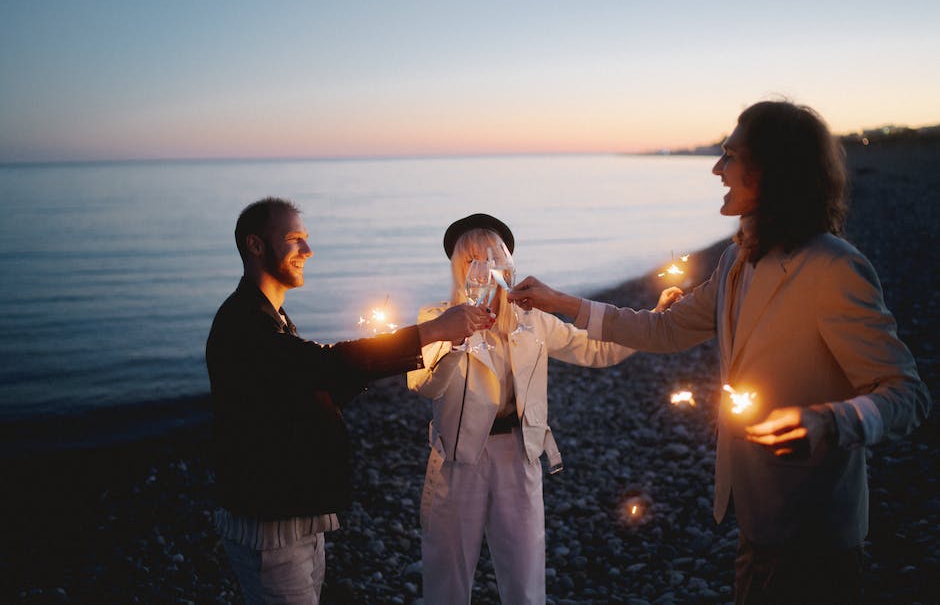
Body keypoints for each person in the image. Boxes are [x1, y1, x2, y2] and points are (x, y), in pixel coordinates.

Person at [509, 101, 931, 604]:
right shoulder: (737, 258)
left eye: (729, 156)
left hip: (814, 530)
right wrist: (563, 303)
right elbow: (665, 330)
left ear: (772, 170)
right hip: (756, 514)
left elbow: (907, 393)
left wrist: (831, 422)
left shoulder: (833, 268)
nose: (716, 169)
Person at [205, 197, 492, 604]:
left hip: (296, 514)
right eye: (294, 239)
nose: (308, 251)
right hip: (269, 525)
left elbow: (315, 386)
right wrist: (428, 332)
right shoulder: (244, 323)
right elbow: (325, 364)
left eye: (305, 239)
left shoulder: (273, 319)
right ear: (255, 245)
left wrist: (369, 367)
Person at [407, 213, 678, 604]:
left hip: (519, 451)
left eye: (493, 256)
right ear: (457, 269)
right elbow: (422, 384)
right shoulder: (436, 319)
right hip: (457, 456)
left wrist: (653, 319)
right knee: (447, 573)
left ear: (508, 262)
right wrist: (453, 339)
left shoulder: (532, 320)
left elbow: (595, 349)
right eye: (472, 260)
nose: (484, 269)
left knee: (525, 572)